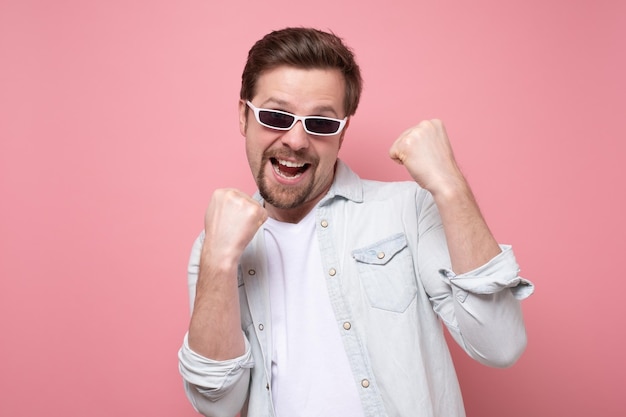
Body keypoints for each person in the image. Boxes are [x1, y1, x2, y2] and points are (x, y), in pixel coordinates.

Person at [178, 27, 534, 417]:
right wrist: (219, 260)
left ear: (343, 133)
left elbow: (501, 345)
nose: (296, 140)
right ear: (244, 116)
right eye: (276, 116)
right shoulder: (215, 246)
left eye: (321, 123)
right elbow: (217, 403)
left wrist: (451, 187)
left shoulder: (408, 211)